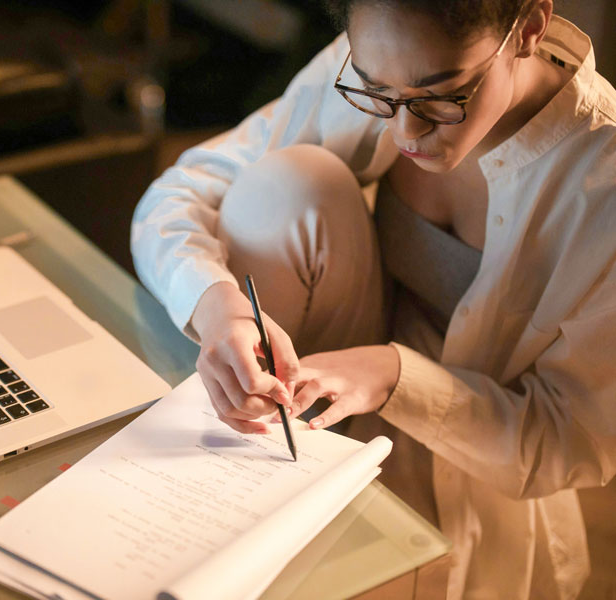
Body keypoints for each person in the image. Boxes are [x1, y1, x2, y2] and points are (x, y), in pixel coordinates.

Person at [131, 0, 616, 598]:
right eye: (376, 92)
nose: (405, 130)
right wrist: (218, 307)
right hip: (321, 387)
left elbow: (570, 440)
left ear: (531, 27)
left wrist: (394, 375)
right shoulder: (380, 60)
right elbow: (179, 193)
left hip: (472, 452)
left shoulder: (604, 184)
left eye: (443, 95)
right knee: (291, 183)